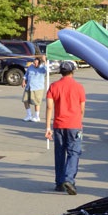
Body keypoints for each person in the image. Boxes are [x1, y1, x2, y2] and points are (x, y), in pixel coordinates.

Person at [44, 60, 86, 196]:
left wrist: (47, 127)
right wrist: (80, 121)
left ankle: (59, 182)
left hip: (59, 124)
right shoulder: (79, 87)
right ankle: (69, 179)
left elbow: (49, 106)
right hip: (74, 124)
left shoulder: (54, 86)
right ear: (72, 71)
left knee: (60, 153)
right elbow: (82, 108)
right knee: (74, 152)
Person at [21, 55, 48, 122]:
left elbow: (47, 70)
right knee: (25, 100)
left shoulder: (42, 68)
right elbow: (26, 74)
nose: (34, 64)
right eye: (34, 62)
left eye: (36, 63)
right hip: (29, 86)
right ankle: (29, 115)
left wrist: (44, 61)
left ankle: (37, 116)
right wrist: (24, 80)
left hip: (37, 87)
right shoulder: (31, 67)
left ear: (39, 63)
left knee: (36, 102)